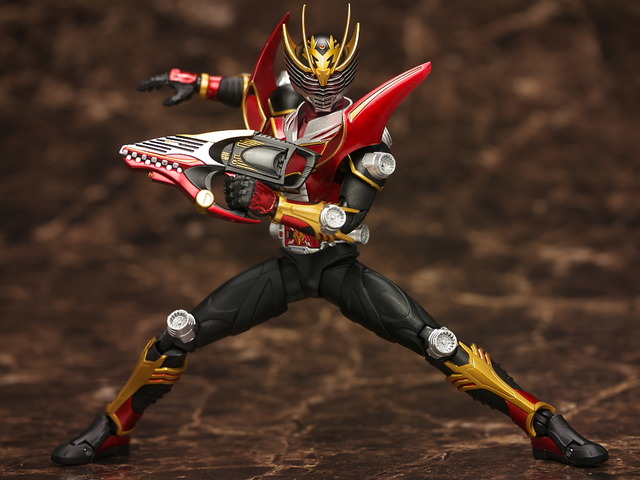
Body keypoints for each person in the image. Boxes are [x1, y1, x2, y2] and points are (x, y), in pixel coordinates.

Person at [51, 5, 608, 467]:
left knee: (437, 341)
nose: (320, 89)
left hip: (337, 267)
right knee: (179, 333)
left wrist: (272, 204)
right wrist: (197, 84)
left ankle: (543, 424)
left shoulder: (365, 140)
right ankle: (113, 429)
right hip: (289, 268)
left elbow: (347, 220)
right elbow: (253, 91)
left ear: (349, 73)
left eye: (332, 80)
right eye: (309, 80)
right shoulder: (285, 111)